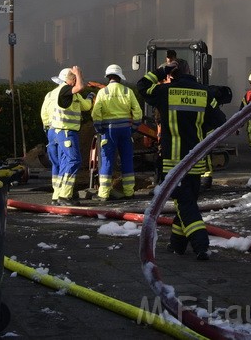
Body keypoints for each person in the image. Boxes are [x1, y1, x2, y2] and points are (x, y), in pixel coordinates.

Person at [135, 59, 224, 260]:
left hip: (173, 163)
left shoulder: (165, 92)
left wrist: (159, 71)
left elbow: (142, 87)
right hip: (195, 161)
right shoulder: (204, 93)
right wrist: (201, 133)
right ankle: (177, 245)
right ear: (190, 71)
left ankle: (201, 244)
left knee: (185, 205)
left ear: (171, 75)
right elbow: (220, 121)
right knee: (186, 202)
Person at [41, 66, 91, 205]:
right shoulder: (66, 90)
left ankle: (57, 195)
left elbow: (44, 114)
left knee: (60, 164)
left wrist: (49, 130)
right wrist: (78, 73)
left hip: (54, 131)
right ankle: (65, 195)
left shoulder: (52, 93)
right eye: (74, 78)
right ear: (71, 79)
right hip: (66, 132)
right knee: (73, 161)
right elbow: (83, 95)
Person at [91, 64, 142, 200]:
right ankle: (129, 192)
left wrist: (99, 129)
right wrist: (134, 127)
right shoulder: (128, 91)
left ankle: (103, 194)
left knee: (107, 160)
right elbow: (137, 112)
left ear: (108, 77)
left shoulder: (103, 92)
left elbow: (96, 113)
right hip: (125, 130)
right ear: (120, 77)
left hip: (108, 131)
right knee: (127, 159)